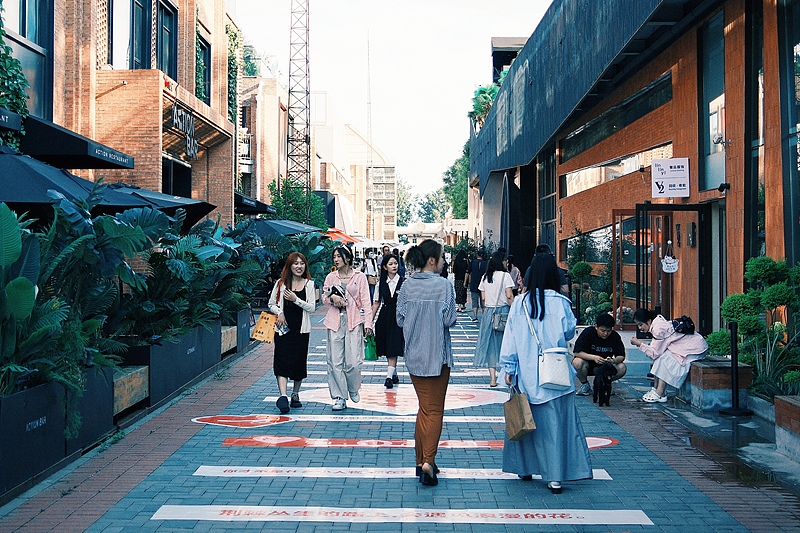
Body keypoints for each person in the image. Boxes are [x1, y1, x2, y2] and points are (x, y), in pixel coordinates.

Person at [499, 253, 592, 494]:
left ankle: (525, 468)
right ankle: (555, 477)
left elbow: (510, 339)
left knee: (525, 420)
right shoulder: (561, 303)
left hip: (526, 373)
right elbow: (569, 332)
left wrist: (508, 368)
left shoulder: (520, 303)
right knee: (555, 427)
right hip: (555, 373)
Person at [396, 239, 457, 487]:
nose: (443, 263)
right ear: (432, 260)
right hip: (437, 355)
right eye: (441, 258)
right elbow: (450, 319)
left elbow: (400, 319)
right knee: (434, 410)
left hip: (414, 354)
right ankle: (428, 463)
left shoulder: (407, 285)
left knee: (424, 408)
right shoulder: (444, 286)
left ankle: (420, 459)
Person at [322, 246, 374, 411]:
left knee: (354, 362)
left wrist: (368, 323)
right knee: (334, 362)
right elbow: (324, 297)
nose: (336, 259)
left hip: (354, 321)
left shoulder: (360, 277)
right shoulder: (331, 277)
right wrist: (332, 298)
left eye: (339, 256)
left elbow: (366, 302)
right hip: (334, 321)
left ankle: (353, 387)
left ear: (348, 258)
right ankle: (339, 396)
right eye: (334, 256)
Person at [268, 252, 317, 414]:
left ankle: (295, 393)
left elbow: (312, 307)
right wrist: (279, 312)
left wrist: (296, 300)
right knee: (281, 360)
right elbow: (271, 304)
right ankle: (283, 396)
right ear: (289, 266)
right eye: (295, 263)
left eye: (301, 263)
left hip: (301, 330)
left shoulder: (309, 284)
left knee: (298, 362)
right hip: (283, 330)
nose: (299, 266)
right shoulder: (281, 284)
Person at [630, 308, 708, 403]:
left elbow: (654, 353)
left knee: (666, 359)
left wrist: (639, 343)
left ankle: (660, 392)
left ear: (649, 321)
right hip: (688, 346)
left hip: (694, 349)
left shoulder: (658, 329)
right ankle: (656, 390)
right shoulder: (657, 325)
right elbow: (657, 350)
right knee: (662, 357)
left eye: (640, 324)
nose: (640, 328)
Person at [473, 251, 515, 387]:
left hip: (489, 313)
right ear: (502, 262)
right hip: (503, 312)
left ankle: (492, 378)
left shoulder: (486, 277)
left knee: (490, 345)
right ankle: (505, 375)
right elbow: (509, 296)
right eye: (505, 260)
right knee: (506, 343)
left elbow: (483, 298)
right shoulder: (506, 276)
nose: (507, 263)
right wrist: (514, 309)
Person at [572, 313, 628, 396]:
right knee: (577, 362)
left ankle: (604, 383)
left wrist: (613, 360)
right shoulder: (588, 333)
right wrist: (593, 357)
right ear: (596, 327)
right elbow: (577, 352)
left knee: (622, 367)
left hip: (605, 367)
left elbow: (621, 356)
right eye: (603, 331)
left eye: (608, 331)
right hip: (588, 364)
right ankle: (585, 384)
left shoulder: (615, 336)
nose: (605, 334)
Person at [371, 252, 405, 388]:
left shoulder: (403, 282)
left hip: (398, 317)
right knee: (387, 346)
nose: (394, 266)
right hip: (384, 317)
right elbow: (376, 303)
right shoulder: (380, 284)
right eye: (390, 264)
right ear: (385, 267)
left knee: (393, 346)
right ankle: (394, 373)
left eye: (395, 263)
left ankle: (389, 377)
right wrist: (368, 322)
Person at [467, 250, 487, 322]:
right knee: (483, 301)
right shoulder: (485, 263)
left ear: (477, 255)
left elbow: (468, 272)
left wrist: (467, 282)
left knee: (474, 301)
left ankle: (475, 316)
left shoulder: (473, 262)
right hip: (483, 284)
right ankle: (484, 317)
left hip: (474, 283)